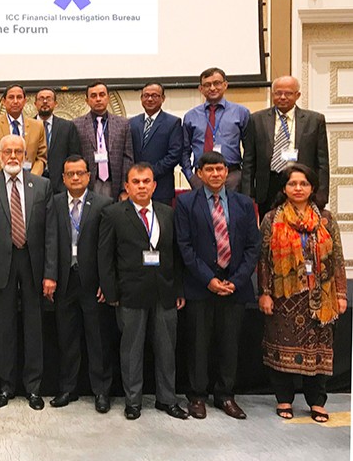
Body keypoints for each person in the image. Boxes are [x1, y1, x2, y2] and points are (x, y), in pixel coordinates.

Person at [257, 164, 346, 423]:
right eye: (293, 184)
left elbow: (338, 258)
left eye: (303, 184)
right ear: (284, 188)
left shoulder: (326, 219)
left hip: (321, 298)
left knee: (319, 351)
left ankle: (317, 402)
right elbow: (264, 260)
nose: (298, 188)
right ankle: (284, 399)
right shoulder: (272, 219)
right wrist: (264, 293)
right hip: (284, 297)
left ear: (312, 188)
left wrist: (341, 293)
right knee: (281, 349)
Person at [175, 152, 260, 420]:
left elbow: (252, 247)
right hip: (201, 286)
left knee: (229, 343)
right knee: (198, 344)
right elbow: (184, 247)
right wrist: (208, 280)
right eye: (209, 169)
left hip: (234, 286)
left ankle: (225, 395)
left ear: (227, 172)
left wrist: (236, 281)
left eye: (220, 169)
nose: (215, 174)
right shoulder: (186, 203)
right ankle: (197, 396)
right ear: (199, 173)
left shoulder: (244, 204)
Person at [99, 163, 187, 420]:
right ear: (127, 186)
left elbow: (176, 255)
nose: (141, 186)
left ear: (154, 185)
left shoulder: (167, 213)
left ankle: (167, 399)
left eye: (146, 181)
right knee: (131, 351)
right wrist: (110, 291)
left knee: (167, 349)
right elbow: (105, 257)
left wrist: (178, 288)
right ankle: (133, 401)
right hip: (130, 293)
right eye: (136, 182)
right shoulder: (114, 214)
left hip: (164, 292)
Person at [0, 134, 56, 410]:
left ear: (25, 156)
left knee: (34, 327)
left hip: (33, 264)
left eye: (17, 152)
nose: (12, 156)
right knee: (4, 327)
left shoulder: (42, 185)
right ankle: (6, 386)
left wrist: (50, 273)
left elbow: (50, 234)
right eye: (7, 151)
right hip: (0, 265)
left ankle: (33, 388)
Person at [51, 155, 114, 413]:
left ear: (89, 176)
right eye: (70, 174)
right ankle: (68, 388)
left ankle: (101, 391)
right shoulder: (54, 203)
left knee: (97, 339)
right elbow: (49, 242)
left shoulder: (103, 204)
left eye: (80, 173)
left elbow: (107, 248)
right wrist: (50, 276)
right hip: (65, 281)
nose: (75, 178)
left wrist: (105, 282)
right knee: (67, 338)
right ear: (63, 178)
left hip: (92, 281)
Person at [243, 75, 330, 213]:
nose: (282, 97)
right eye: (278, 93)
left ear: (297, 95)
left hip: (300, 184)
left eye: (288, 93)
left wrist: (321, 195)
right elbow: (249, 160)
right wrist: (247, 194)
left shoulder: (314, 120)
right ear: (272, 94)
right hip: (268, 185)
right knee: (269, 229)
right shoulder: (256, 119)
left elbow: (322, 162)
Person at [181, 67, 250, 192]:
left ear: (225, 85)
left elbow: (249, 148)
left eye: (217, 83)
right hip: (201, 177)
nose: (212, 88)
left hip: (232, 176)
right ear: (201, 89)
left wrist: (242, 176)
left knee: (232, 211)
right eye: (207, 85)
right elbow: (184, 150)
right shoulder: (191, 116)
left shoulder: (241, 112)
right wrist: (190, 176)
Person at [74, 81, 133, 200]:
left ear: (108, 98)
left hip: (114, 183)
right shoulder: (76, 124)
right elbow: (75, 157)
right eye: (93, 96)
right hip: (89, 184)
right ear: (87, 101)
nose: (98, 99)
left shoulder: (123, 124)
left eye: (102, 95)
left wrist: (124, 188)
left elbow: (128, 158)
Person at [128, 83, 182, 204]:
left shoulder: (173, 122)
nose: (150, 99)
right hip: (136, 186)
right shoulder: (132, 122)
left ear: (163, 98)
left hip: (161, 187)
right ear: (141, 98)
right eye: (146, 96)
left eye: (155, 96)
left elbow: (174, 154)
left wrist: (150, 173)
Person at [0, 84, 47, 176]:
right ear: (4, 101)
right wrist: (0, 176)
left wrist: (31, 177)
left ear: (24, 101)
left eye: (19, 97)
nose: (15, 101)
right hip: (0, 180)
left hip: (29, 180)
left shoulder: (37, 126)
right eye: (11, 97)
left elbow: (41, 157)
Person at [34, 88, 80, 191]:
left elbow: (74, 156)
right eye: (41, 99)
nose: (45, 101)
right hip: (33, 183)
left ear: (55, 103)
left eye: (49, 99)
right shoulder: (27, 126)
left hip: (60, 185)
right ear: (35, 103)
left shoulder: (67, 127)